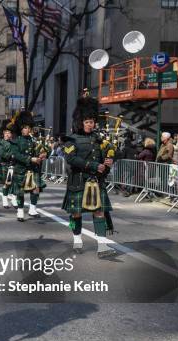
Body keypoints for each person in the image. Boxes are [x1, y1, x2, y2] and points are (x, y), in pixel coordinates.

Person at [62, 91, 117, 258]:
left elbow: (109, 154)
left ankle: (102, 246)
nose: (90, 124)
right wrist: (94, 165)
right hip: (78, 181)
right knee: (76, 213)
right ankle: (77, 239)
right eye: (87, 121)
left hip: (96, 181)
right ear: (80, 122)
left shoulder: (99, 139)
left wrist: (108, 162)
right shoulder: (71, 139)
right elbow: (71, 159)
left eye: (92, 121)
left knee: (98, 212)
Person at [10, 111, 47, 222]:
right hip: (21, 169)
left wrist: (44, 154)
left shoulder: (33, 140)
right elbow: (16, 154)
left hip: (33, 169)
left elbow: (42, 150)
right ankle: (20, 210)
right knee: (20, 192)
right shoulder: (16, 141)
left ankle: (32, 209)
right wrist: (30, 159)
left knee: (36, 189)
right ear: (21, 129)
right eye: (25, 128)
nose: (28, 130)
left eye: (29, 127)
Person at [0, 120, 18, 209]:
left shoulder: (14, 143)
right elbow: (0, 153)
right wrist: (11, 155)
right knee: (7, 183)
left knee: (15, 184)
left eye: (9, 133)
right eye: (6, 132)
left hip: (14, 165)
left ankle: (14, 199)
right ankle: (4, 199)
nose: (8, 134)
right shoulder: (0, 143)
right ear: (4, 133)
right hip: (5, 165)